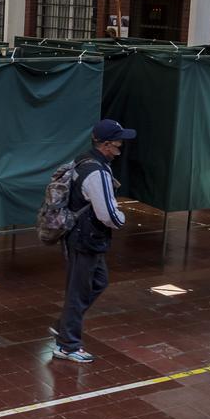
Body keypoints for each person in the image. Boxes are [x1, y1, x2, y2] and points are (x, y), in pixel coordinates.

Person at [52, 119, 137, 363]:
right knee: (78, 292)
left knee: (98, 282)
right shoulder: (96, 172)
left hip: (84, 237)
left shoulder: (85, 160)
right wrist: (121, 219)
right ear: (107, 144)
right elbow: (108, 214)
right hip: (85, 239)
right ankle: (68, 345)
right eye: (118, 142)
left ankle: (65, 324)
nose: (121, 146)